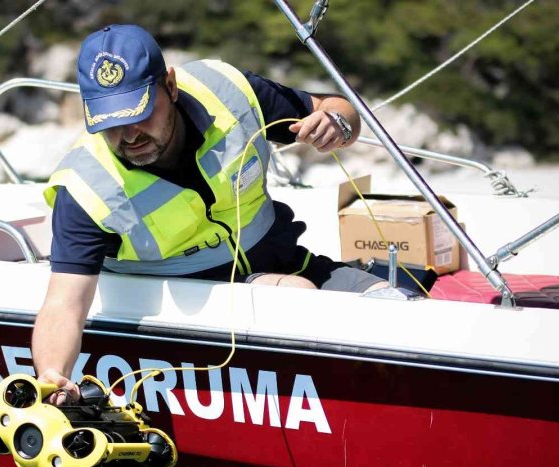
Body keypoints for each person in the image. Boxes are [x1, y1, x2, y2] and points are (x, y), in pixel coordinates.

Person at [33, 24, 386, 400]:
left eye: (141, 113)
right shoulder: (85, 187)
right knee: (298, 300)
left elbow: (336, 107)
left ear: (170, 86)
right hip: (206, 311)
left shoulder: (226, 89)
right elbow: (63, 304)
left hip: (288, 259)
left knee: (390, 303)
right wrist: (52, 376)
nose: (130, 135)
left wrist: (338, 124)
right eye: (111, 125)